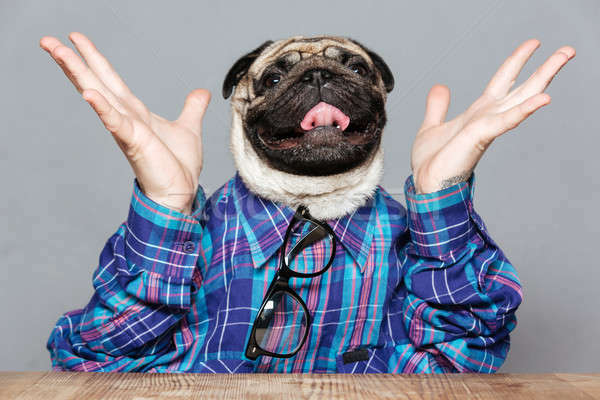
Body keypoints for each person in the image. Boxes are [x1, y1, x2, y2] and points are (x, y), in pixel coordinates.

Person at [42, 32, 575, 373]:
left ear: (384, 98)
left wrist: (440, 197)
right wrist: (166, 204)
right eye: (277, 77)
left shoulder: (413, 241)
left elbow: (459, 364)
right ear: (240, 103)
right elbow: (95, 362)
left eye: (352, 70)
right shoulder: (193, 237)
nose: (320, 80)